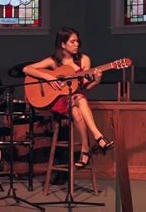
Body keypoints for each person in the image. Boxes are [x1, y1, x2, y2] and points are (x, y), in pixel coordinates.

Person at [22, 27, 114, 169]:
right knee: (80, 100)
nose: (77, 44)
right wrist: (48, 77)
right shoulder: (53, 61)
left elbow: (84, 87)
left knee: (78, 106)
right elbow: (27, 69)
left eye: (78, 41)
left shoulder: (84, 60)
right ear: (63, 44)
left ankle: (85, 150)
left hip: (77, 98)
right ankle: (98, 138)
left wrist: (96, 80)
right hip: (59, 101)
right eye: (73, 41)